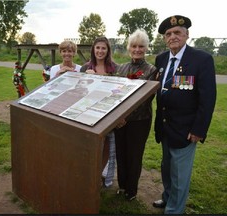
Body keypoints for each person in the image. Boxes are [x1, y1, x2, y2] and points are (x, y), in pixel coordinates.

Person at [153, 15, 216, 214]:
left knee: (180, 175)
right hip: (164, 127)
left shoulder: (201, 59)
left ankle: (174, 210)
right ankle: (168, 197)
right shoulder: (161, 59)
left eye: (177, 32)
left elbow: (208, 99)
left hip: (186, 129)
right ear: (164, 38)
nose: (173, 36)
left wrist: (199, 129)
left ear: (187, 35)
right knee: (166, 168)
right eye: (168, 34)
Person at [114, 29, 157, 201]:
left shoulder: (151, 70)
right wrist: (118, 117)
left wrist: (125, 117)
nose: (137, 49)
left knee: (134, 155)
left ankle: (131, 190)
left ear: (146, 48)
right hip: (119, 121)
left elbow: (146, 100)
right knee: (121, 153)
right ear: (128, 47)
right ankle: (122, 185)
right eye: (134, 46)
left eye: (141, 46)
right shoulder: (121, 68)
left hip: (140, 120)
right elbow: (115, 94)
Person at [80, 36, 117, 187]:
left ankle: (100, 175)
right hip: (88, 111)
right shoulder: (85, 68)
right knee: (90, 144)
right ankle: (88, 174)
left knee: (107, 144)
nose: (100, 51)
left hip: (108, 111)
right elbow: (80, 90)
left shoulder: (115, 69)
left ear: (108, 50)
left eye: (103, 48)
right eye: (97, 48)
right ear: (93, 49)